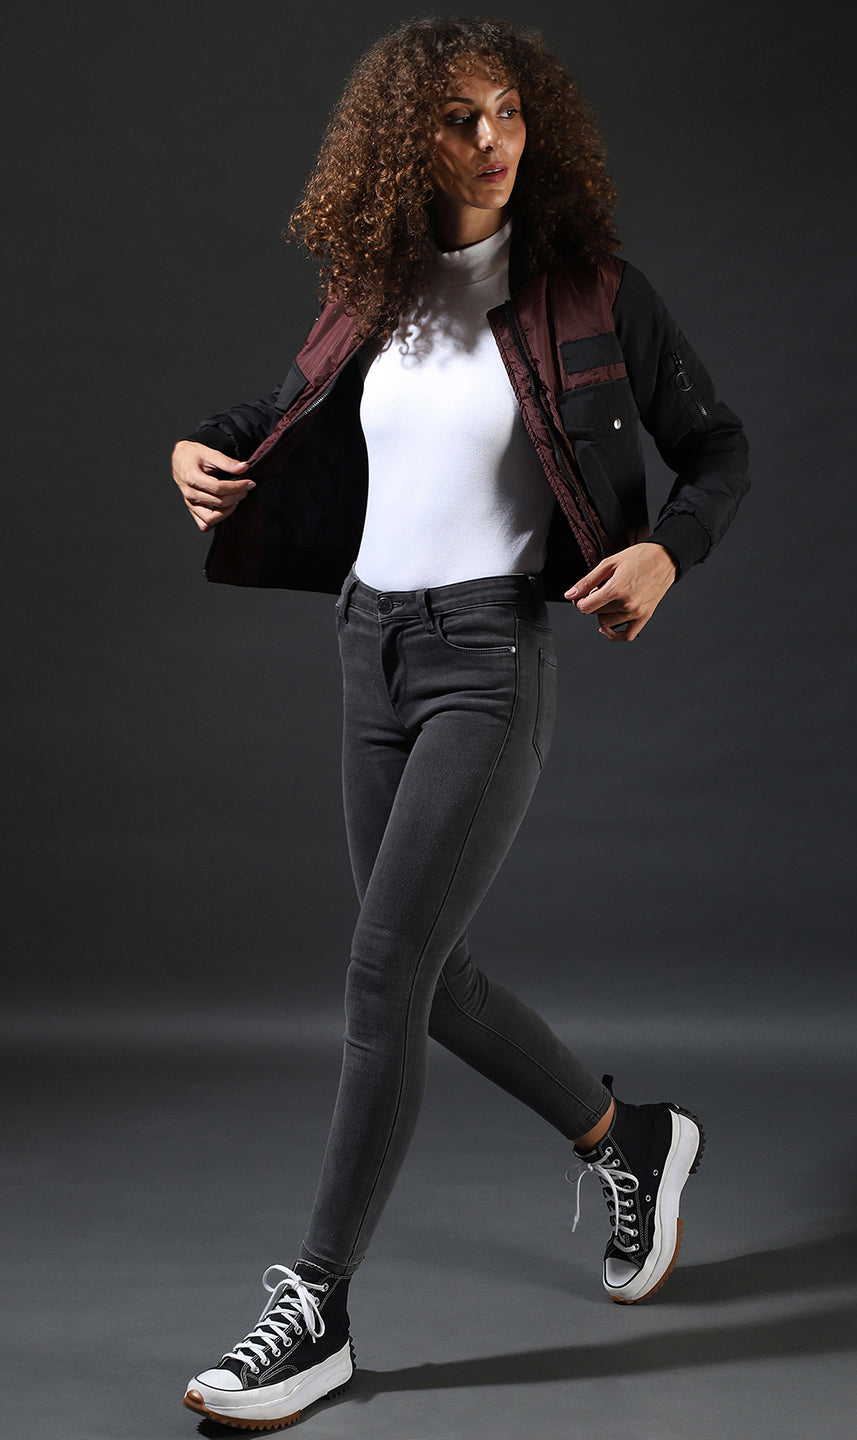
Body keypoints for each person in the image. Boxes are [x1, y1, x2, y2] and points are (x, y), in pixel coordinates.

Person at [172, 16, 748, 1432]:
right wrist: (201, 449)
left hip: (489, 662)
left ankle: (315, 1309)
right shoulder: (372, 292)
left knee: (383, 976)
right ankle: (632, 1140)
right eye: (457, 120)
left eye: (508, 113)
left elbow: (716, 448)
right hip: (367, 649)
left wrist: (667, 553)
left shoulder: (591, 295)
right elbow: (289, 413)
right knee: (428, 978)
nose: (493, 143)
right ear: (401, 145)